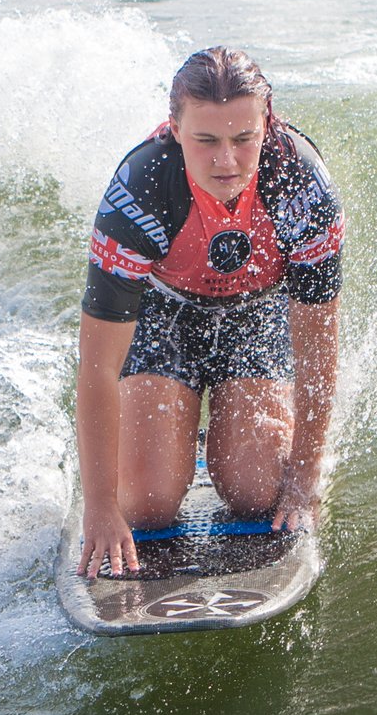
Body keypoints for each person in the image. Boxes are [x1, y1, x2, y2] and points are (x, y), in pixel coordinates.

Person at [75, 46, 344, 579]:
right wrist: (101, 507)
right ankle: (156, 422)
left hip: (254, 314)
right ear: (174, 128)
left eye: (244, 139)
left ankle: (234, 417)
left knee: (257, 491)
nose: (227, 160)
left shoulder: (302, 190)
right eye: (206, 140)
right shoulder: (140, 191)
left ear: (267, 124)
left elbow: (317, 346)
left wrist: (305, 477)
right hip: (164, 314)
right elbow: (97, 366)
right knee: (144, 502)